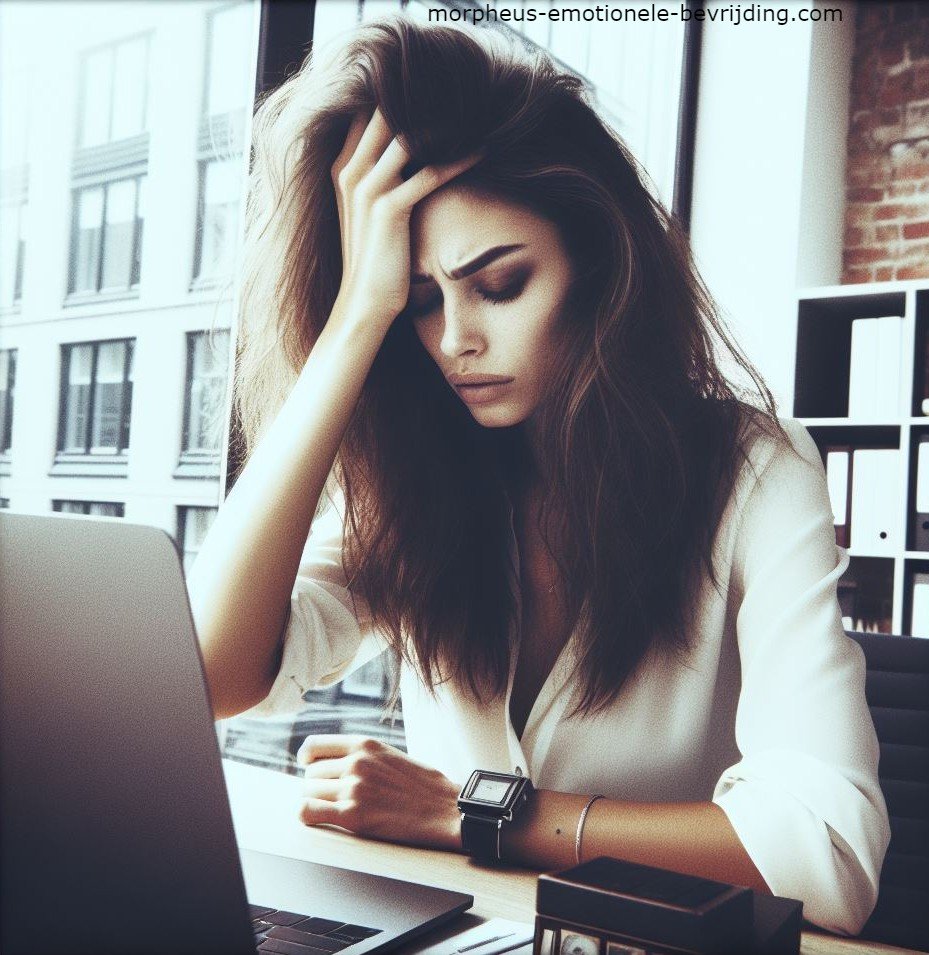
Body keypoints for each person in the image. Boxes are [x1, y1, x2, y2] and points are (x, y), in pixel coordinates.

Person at [186, 15, 889, 937]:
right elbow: (213, 673)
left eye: (502, 284)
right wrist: (358, 316)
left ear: (599, 270)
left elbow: (828, 853)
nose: (455, 342)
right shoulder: (416, 483)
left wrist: (471, 811)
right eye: (422, 302)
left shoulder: (754, 472)